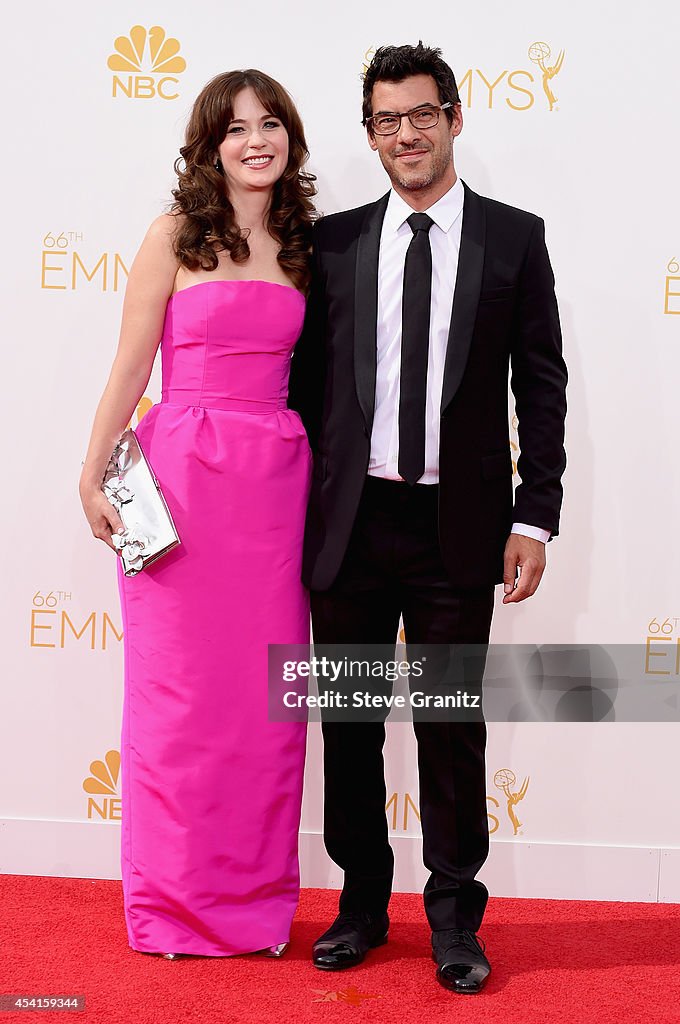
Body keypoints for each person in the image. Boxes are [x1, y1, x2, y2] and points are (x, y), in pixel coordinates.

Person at [288, 43, 567, 994]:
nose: (403, 133)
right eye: (384, 120)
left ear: (454, 116)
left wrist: (536, 517)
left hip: (461, 530)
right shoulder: (330, 246)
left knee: (451, 727)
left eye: (420, 114)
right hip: (353, 528)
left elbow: (542, 386)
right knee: (352, 724)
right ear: (369, 133)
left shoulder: (514, 240)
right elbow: (302, 392)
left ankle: (455, 921)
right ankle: (363, 906)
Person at [79, 70, 316, 958]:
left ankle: (255, 908)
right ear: (210, 143)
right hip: (177, 482)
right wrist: (94, 473)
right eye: (237, 128)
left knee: (266, 706)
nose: (257, 140)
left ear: (290, 138)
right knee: (178, 701)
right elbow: (131, 367)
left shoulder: (304, 245)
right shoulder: (173, 234)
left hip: (275, 489)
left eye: (272, 125)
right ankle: (174, 909)